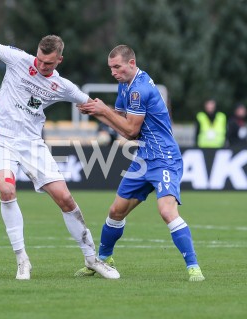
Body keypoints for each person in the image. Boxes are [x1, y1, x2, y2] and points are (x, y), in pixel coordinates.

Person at [0, 35, 119, 280]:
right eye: (39, 59)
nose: (40, 66)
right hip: (3, 140)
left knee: (65, 198)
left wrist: (122, 127)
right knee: (6, 191)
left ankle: (92, 259)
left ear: (59, 60)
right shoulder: (18, 59)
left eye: (48, 63)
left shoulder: (63, 86)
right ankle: (22, 261)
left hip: (32, 145)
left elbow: (92, 106)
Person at [77, 44, 205, 282]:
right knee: (116, 211)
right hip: (144, 158)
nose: (113, 72)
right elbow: (126, 132)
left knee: (167, 211)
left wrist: (102, 109)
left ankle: (193, 267)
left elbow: (131, 128)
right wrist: (100, 113)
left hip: (164, 157)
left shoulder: (139, 89)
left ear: (132, 64)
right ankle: (102, 261)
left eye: (117, 67)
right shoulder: (124, 85)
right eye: (111, 68)